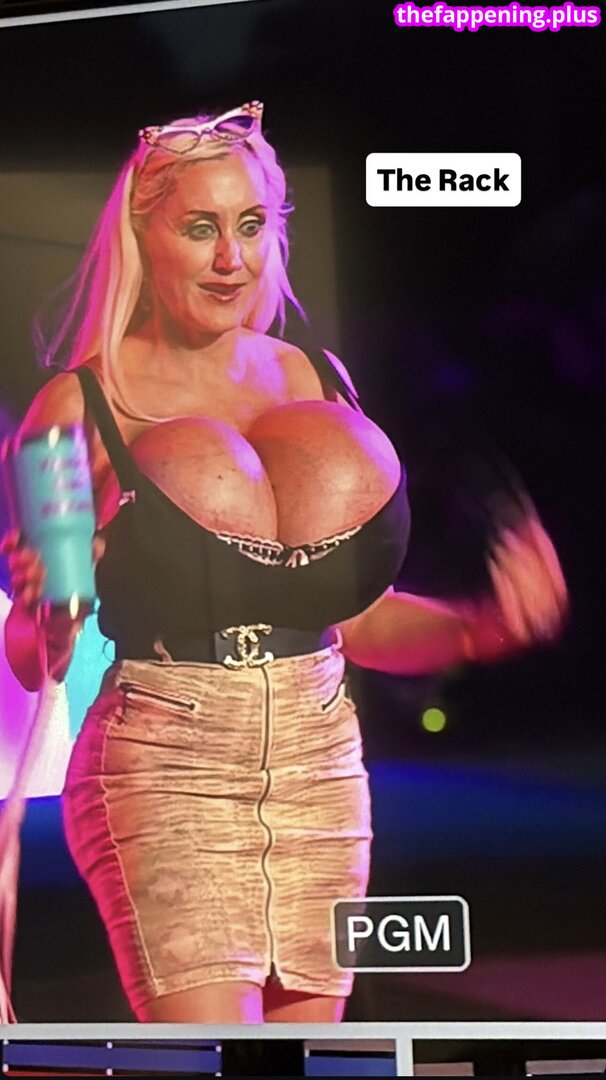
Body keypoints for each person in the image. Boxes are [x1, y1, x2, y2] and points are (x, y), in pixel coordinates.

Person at [1, 102, 567, 1024]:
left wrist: (484, 628)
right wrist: (48, 612)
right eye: (200, 228)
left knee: (312, 1063)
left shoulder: (317, 378)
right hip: (166, 764)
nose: (232, 258)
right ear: (143, 237)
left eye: (252, 225)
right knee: (214, 1059)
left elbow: (359, 622)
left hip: (320, 761)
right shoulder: (72, 410)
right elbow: (34, 660)